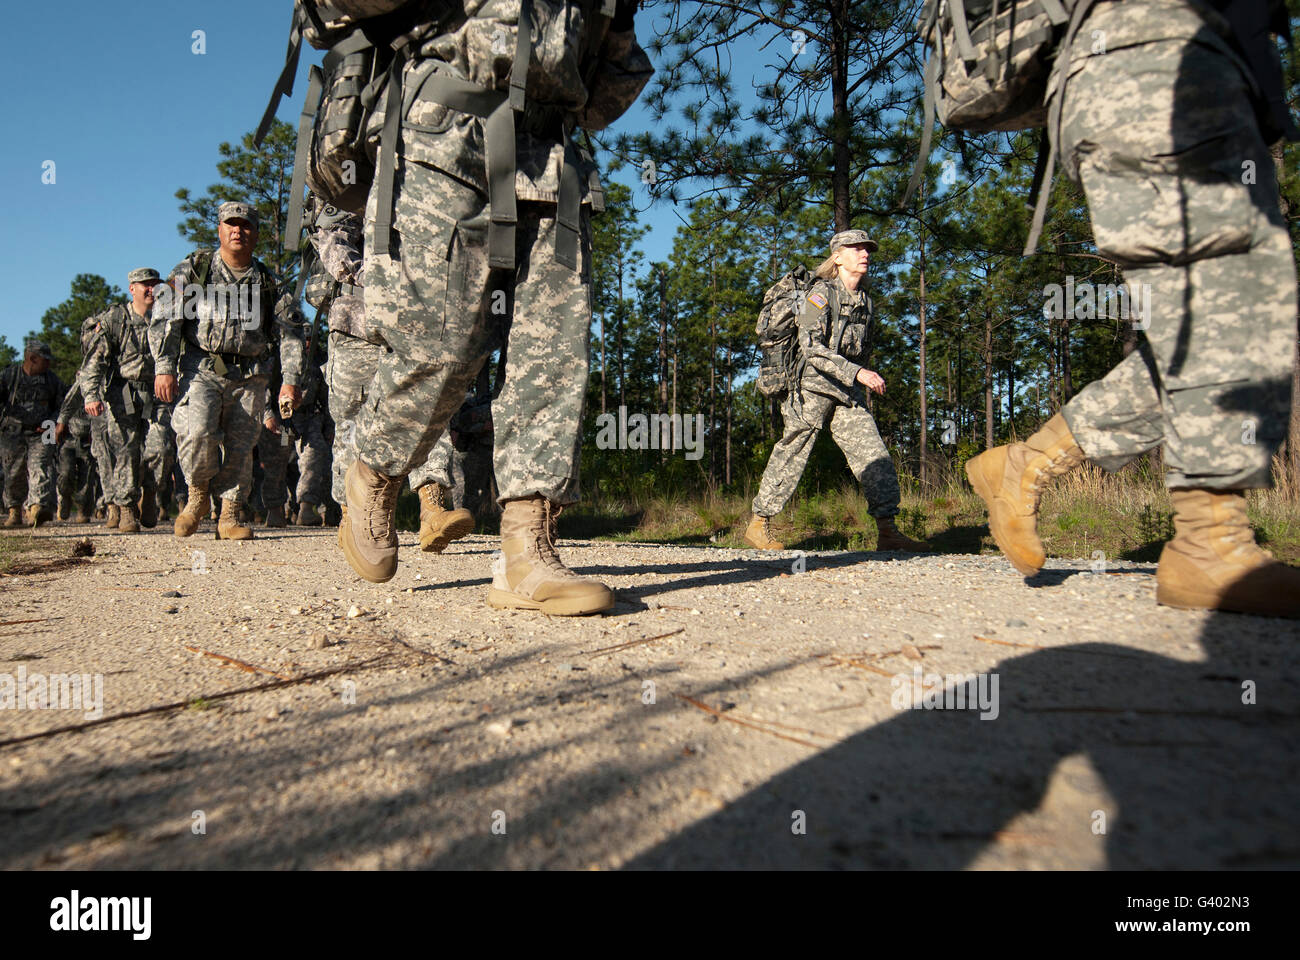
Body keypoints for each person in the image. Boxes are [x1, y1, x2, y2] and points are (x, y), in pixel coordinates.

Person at [966, 0, 1299, 619]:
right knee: (1217, 294)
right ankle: (1210, 542)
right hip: (1147, 51)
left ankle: (1026, 464)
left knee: (1233, 318)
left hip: (1201, 62)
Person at [328, 0, 652, 617]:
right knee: (442, 344)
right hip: (442, 130)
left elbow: (604, 101)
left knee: (554, 354)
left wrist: (622, 17)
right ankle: (374, 469)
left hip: (552, 157)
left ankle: (527, 546)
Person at [746, 231, 931, 553]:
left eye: (867, 249)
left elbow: (863, 350)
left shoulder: (866, 301)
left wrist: (858, 376)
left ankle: (887, 531)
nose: (864, 253)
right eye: (855, 248)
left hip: (846, 392)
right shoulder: (817, 295)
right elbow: (809, 346)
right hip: (810, 388)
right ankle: (759, 524)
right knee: (793, 451)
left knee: (874, 455)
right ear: (838, 257)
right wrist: (858, 373)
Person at [310, 197, 473, 550]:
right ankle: (352, 520)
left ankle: (433, 511)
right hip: (357, 325)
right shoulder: (351, 182)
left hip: (416, 329)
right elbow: (333, 245)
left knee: (429, 414)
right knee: (352, 424)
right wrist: (388, 284)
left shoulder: (419, 183)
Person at [151, 201, 305, 540]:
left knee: (241, 445)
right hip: (200, 368)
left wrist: (290, 382)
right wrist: (164, 367)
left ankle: (230, 514)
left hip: (250, 375)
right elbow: (166, 318)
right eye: (231, 224)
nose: (238, 230)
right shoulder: (196, 270)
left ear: (256, 233)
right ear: (219, 229)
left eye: (246, 225)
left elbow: (291, 335)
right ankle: (197, 496)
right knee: (197, 433)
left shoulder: (268, 283)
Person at [82, 267, 167, 532]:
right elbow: (94, 361)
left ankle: (150, 493)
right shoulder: (115, 319)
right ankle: (127, 507)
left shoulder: (167, 318)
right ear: (133, 288)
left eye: (155, 284)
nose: (151, 289)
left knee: (162, 447)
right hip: (123, 394)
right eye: (146, 285)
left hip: (158, 393)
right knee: (127, 451)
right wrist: (91, 395)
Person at [0, 340, 65, 527]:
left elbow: (62, 405)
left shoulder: (51, 380)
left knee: (42, 466)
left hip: (43, 430)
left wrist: (52, 424)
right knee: (13, 472)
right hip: (13, 432)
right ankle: (14, 510)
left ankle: (37, 507)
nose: (48, 364)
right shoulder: (9, 376)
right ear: (32, 358)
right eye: (45, 360)